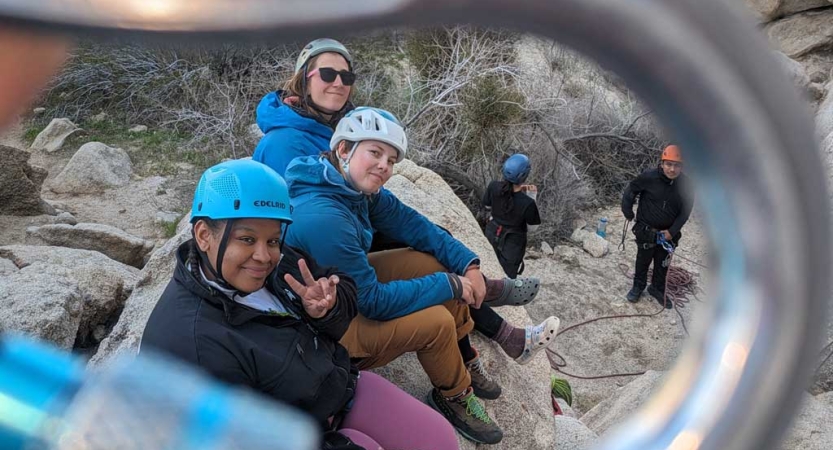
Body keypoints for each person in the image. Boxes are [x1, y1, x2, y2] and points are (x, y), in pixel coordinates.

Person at [284, 107, 561, 445]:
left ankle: (460, 357)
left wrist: (469, 267)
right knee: (436, 323)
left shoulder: (347, 184)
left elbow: (416, 226)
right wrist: (451, 285)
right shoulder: (325, 217)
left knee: (433, 263)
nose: (384, 166)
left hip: (345, 291)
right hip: (327, 327)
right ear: (344, 149)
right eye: (375, 152)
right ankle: (454, 395)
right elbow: (373, 303)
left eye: (391, 159)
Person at [140, 159, 459, 450]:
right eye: (247, 239)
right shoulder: (191, 343)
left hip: (338, 388)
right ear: (203, 234)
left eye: (273, 240)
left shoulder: (276, 266)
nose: (264, 255)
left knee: (441, 441)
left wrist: (327, 307)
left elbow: (339, 283)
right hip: (298, 433)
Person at [253, 38, 355, 176]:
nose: (339, 83)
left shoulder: (348, 135)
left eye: (346, 76)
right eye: (327, 74)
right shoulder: (283, 143)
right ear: (304, 83)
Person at [621, 144, 694, 308]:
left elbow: (685, 212)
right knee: (643, 260)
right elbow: (630, 191)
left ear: (682, 167)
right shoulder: (649, 177)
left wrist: (672, 231)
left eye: (676, 165)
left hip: (669, 234)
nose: (672, 169)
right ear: (662, 163)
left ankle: (657, 288)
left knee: (663, 263)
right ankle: (638, 287)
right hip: (646, 230)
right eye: (668, 164)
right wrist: (628, 211)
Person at [483, 153, 542, 278]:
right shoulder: (528, 203)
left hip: (491, 234)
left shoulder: (493, 186)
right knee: (505, 280)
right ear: (525, 175)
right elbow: (532, 228)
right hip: (512, 245)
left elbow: (487, 207)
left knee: (486, 270)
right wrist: (532, 195)